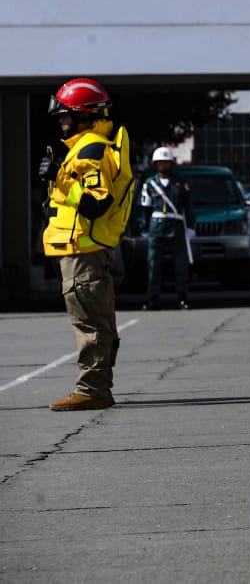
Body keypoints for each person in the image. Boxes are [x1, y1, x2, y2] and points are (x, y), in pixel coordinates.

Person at [39, 78, 135, 411]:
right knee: (98, 321)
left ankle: (92, 390)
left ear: (84, 115)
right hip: (83, 248)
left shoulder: (91, 150)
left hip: (84, 251)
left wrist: (60, 178)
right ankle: (97, 387)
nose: (61, 122)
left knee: (90, 323)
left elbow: (96, 203)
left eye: (65, 115)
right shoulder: (85, 148)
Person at [140, 146, 196, 310]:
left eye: (165, 162)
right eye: (159, 163)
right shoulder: (150, 183)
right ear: (155, 164)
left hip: (176, 226)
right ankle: (152, 299)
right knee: (153, 265)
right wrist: (145, 227)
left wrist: (191, 226)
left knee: (180, 265)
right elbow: (145, 208)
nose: (163, 165)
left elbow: (188, 206)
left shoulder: (181, 182)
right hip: (156, 227)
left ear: (171, 163)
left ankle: (182, 298)